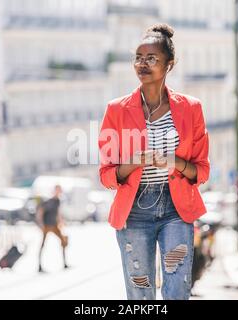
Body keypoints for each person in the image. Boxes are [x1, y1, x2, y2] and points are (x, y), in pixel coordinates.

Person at [98, 24, 210, 300]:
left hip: (176, 209)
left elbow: (202, 170)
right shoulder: (116, 110)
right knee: (140, 294)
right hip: (134, 213)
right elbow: (106, 174)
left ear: (168, 65)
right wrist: (135, 162)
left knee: (176, 291)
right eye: (138, 57)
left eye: (151, 58)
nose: (142, 64)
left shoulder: (191, 108)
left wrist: (174, 162)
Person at [37, 185, 69, 273]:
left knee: (63, 241)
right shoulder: (49, 201)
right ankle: (39, 266)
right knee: (42, 245)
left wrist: (61, 222)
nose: (59, 192)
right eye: (58, 190)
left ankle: (65, 263)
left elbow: (58, 213)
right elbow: (40, 211)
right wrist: (41, 224)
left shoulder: (58, 201)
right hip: (46, 226)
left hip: (54, 225)